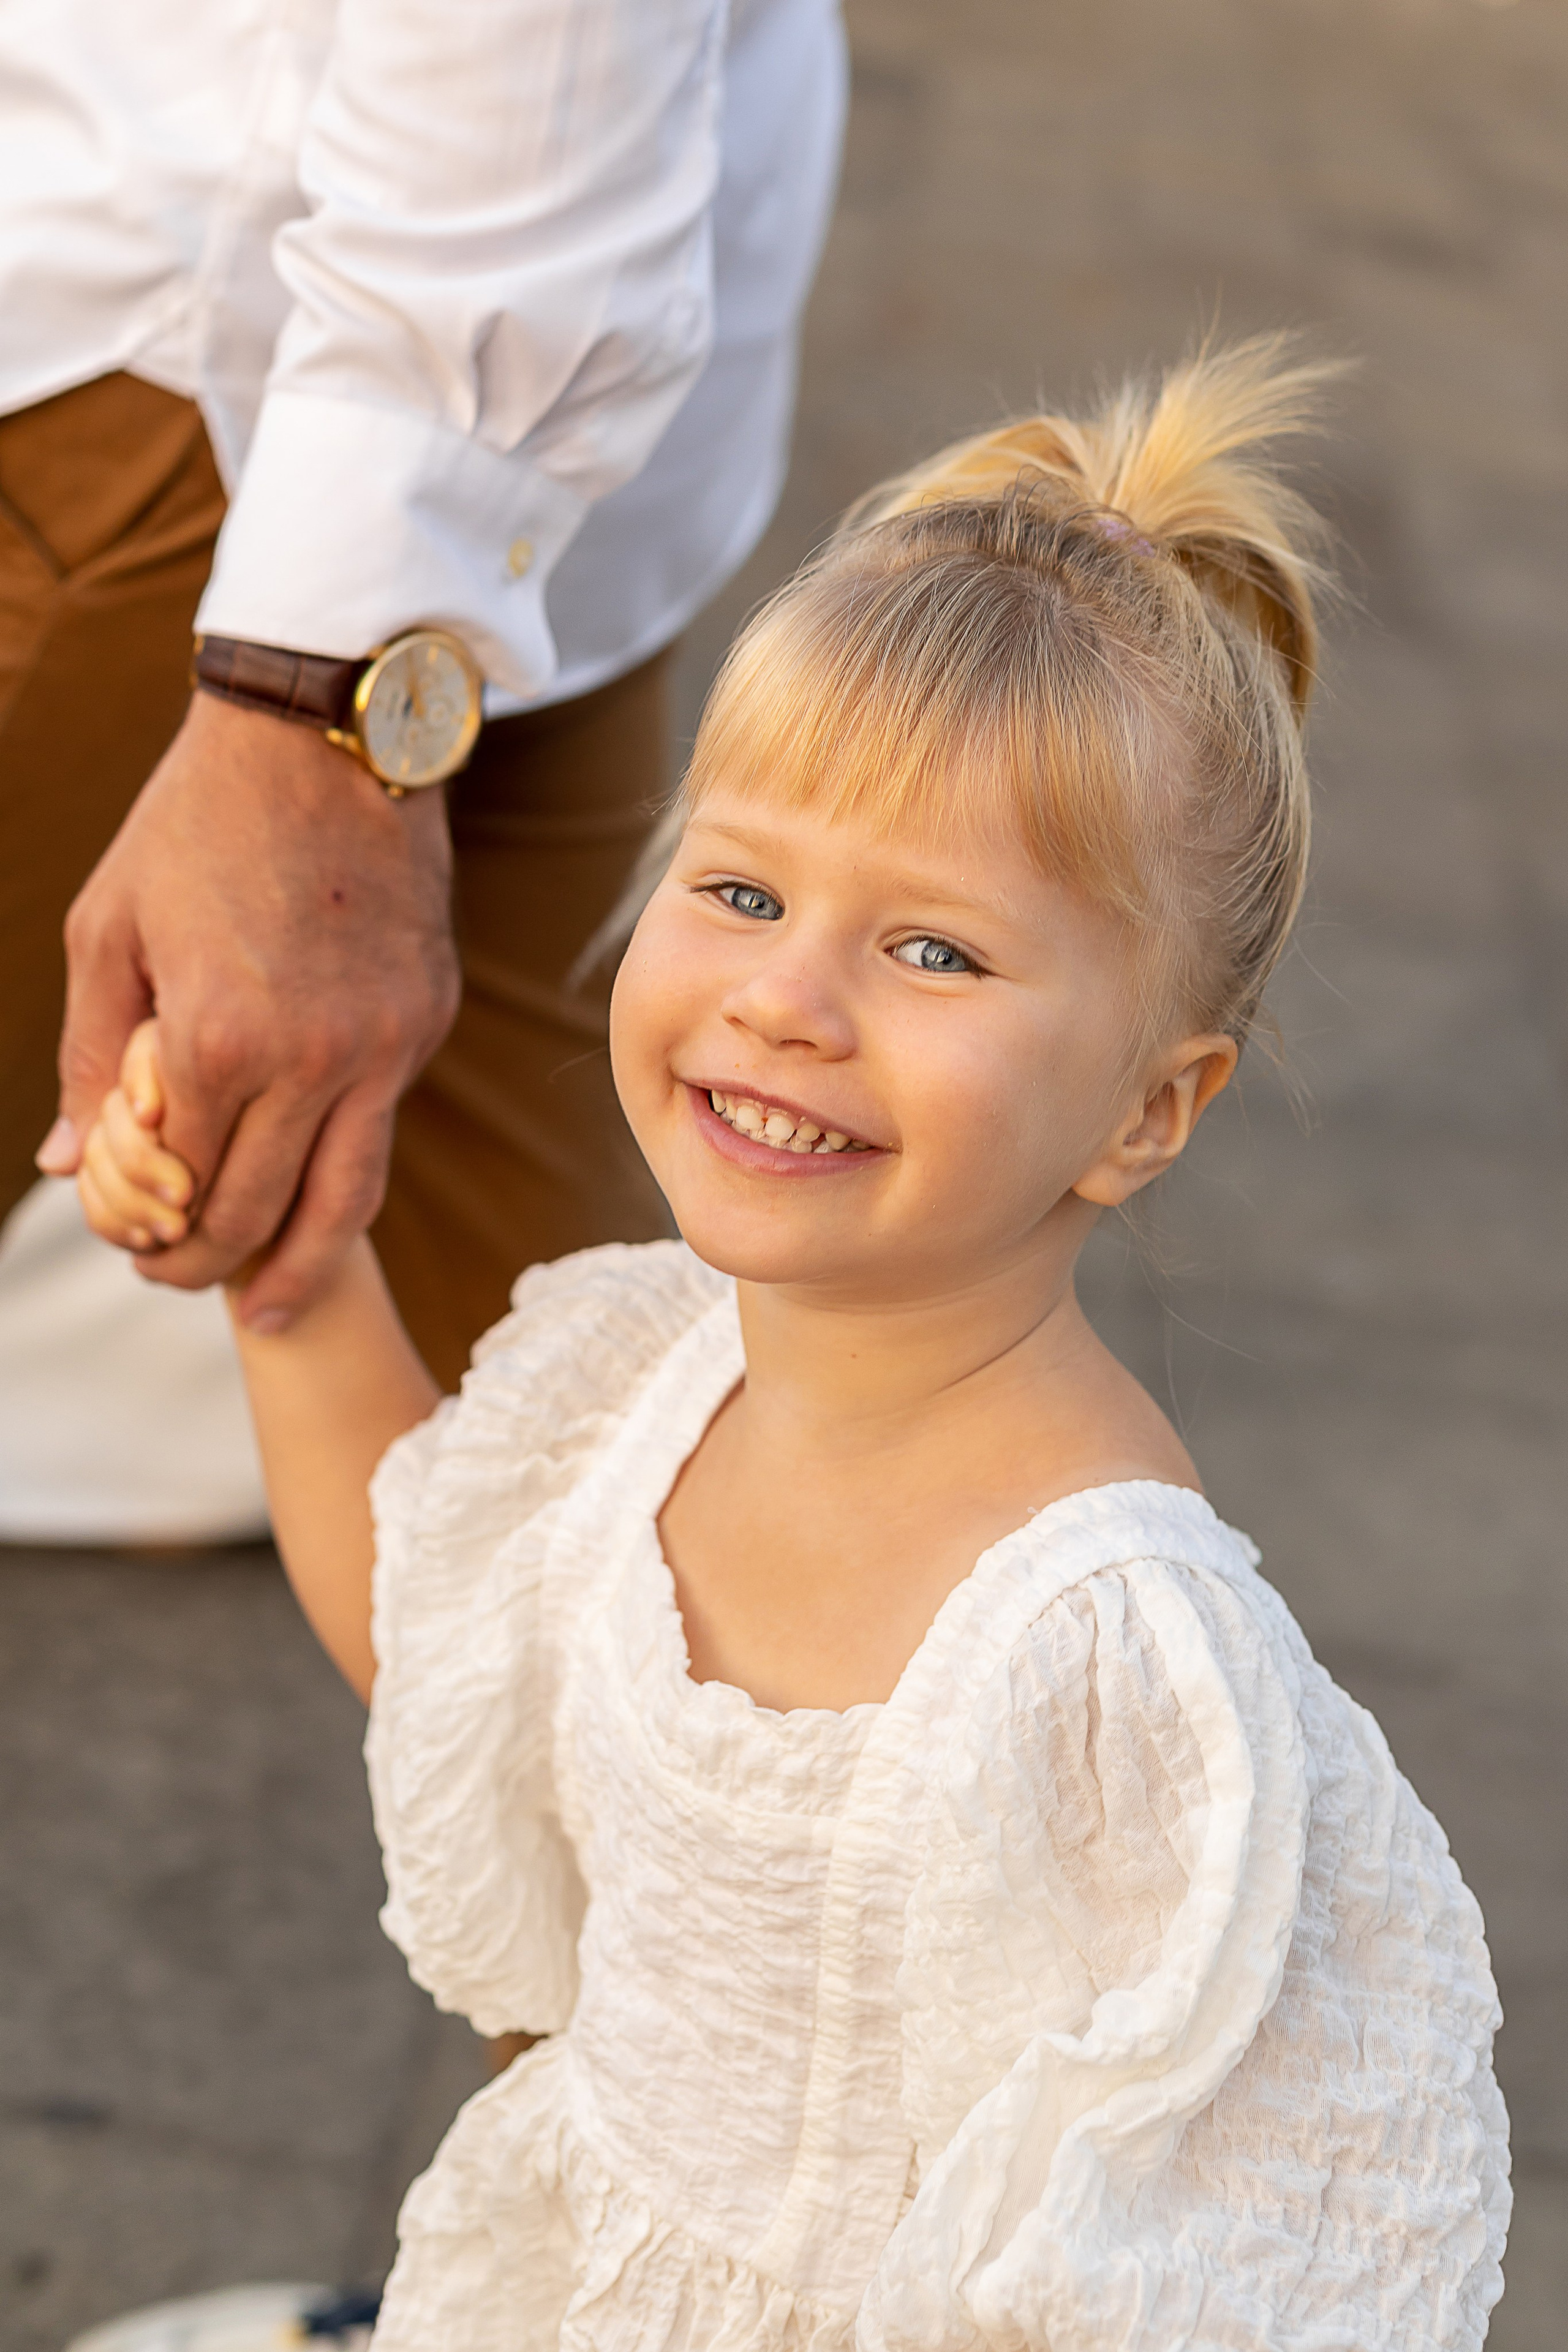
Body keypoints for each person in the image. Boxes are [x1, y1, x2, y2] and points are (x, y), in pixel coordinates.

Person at [77, 339, 1510, 2349]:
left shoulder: (1102, 1655)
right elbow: (441, 1628)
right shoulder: (666, 1375)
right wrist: (285, 1280)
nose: (788, 1001)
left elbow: (1236, 2246)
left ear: (1147, 1110)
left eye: (934, 949)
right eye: (742, 890)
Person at [3, 0, 846, 1404]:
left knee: (569, 1423)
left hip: (369, 403)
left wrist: (312, 693)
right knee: (561, 1409)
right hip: (327, 387)